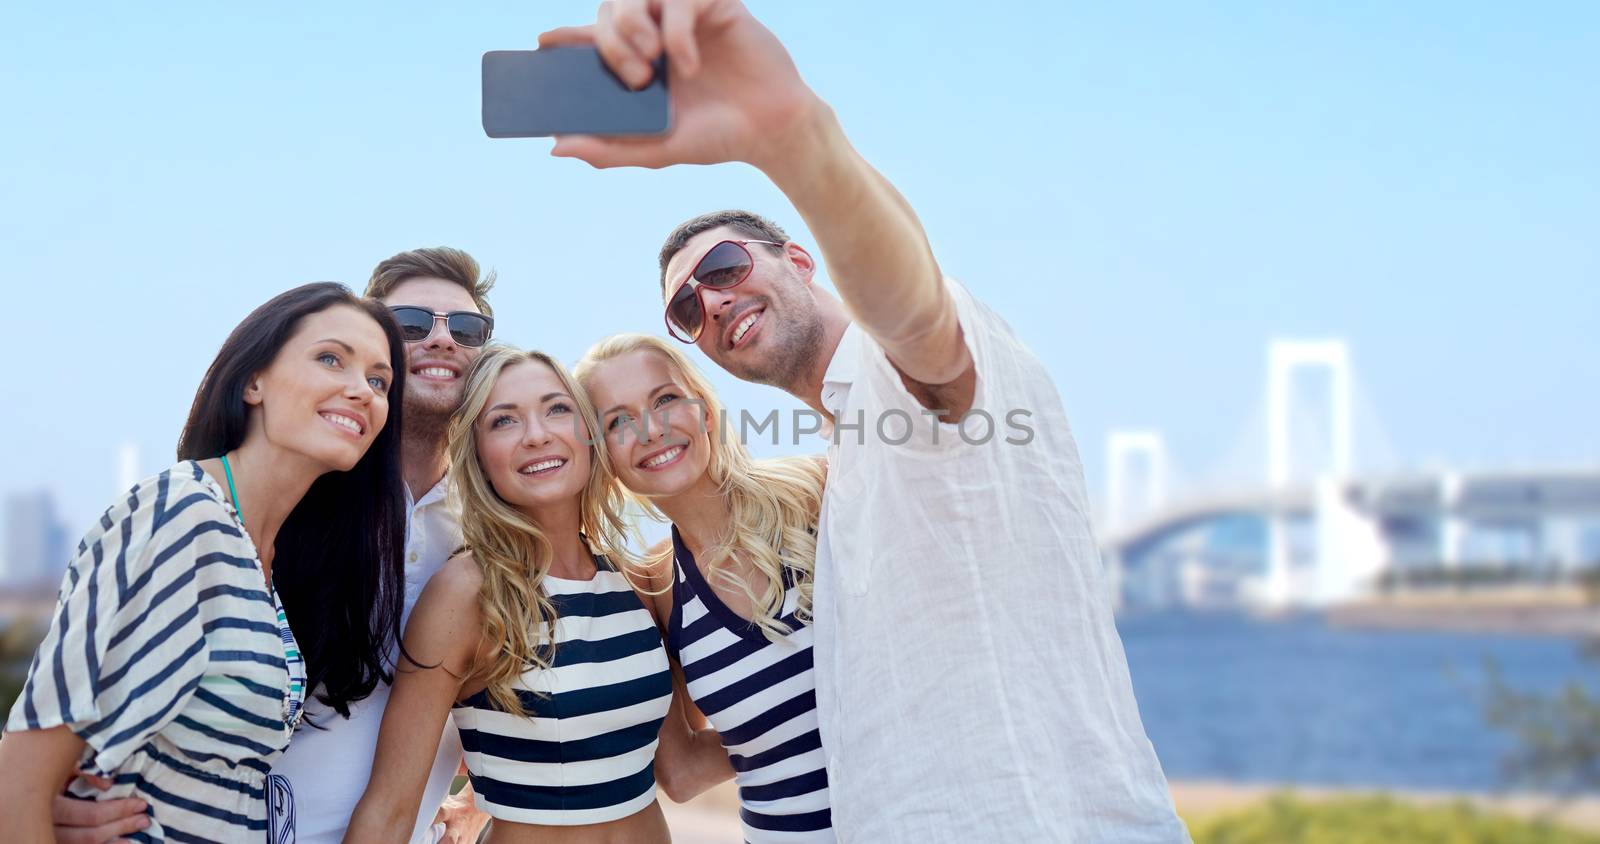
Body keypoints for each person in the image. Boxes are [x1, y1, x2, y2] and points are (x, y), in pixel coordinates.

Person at [541, 2, 1192, 840]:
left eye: (730, 266)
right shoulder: (845, 463)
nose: (715, 301)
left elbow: (918, 320)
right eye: (688, 309)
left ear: (801, 260)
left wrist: (792, 139)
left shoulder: (899, 379)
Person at [45, 247, 499, 844]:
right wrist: (55, 788)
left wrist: (484, 798)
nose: (443, 340)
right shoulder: (285, 493)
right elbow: (78, 686)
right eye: (410, 324)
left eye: (466, 328)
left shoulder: (493, 531)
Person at [0, 282, 409, 842]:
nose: (360, 390)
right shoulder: (182, 515)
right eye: (330, 358)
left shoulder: (263, 557)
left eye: (378, 380)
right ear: (253, 381)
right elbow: (20, 774)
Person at [345, 345, 731, 844]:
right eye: (504, 421)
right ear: (479, 455)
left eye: (557, 409)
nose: (537, 435)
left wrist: (820, 718)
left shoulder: (638, 584)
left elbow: (681, 770)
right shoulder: (466, 593)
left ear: (589, 433)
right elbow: (389, 811)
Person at [576, 333, 833, 842]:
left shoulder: (817, 492)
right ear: (600, 453)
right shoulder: (652, 587)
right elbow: (683, 771)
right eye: (619, 421)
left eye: (665, 400)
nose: (651, 430)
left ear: (705, 409)